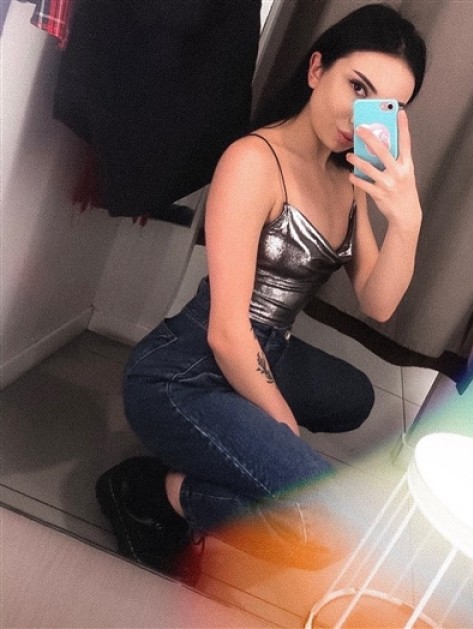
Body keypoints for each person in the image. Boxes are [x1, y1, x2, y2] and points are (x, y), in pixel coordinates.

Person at [96, 3, 427, 577]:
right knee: (325, 530)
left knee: (355, 398)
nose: (360, 115)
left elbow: (378, 303)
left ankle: (228, 450)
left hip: (268, 346)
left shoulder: (348, 179)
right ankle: (158, 490)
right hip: (185, 368)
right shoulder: (253, 160)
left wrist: (407, 220)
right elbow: (227, 333)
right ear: (317, 69)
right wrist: (281, 427)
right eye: (357, 86)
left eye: (384, 106)